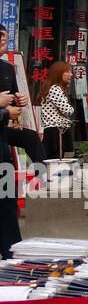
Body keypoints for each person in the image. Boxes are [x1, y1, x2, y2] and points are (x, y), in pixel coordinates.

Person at [0, 86, 41, 259]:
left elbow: (12, 100)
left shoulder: (6, 68)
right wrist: (4, 112)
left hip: (2, 152)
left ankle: (13, 258)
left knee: (8, 205)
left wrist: (17, 106)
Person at [38, 61, 77, 160]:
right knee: (58, 161)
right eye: (67, 72)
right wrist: (71, 108)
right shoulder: (55, 89)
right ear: (58, 73)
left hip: (56, 130)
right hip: (57, 132)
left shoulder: (53, 88)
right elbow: (68, 110)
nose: (71, 75)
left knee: (58, 160)